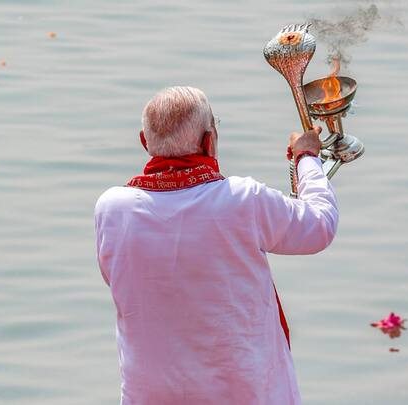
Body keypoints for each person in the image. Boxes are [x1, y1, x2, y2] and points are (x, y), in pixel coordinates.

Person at [94, 86, 338, 404]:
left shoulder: (112, 210)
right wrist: (307, 159)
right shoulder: (240, 200)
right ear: (210, 141)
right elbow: (319, 225)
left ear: (145, 142)